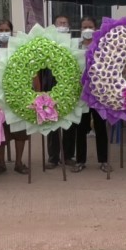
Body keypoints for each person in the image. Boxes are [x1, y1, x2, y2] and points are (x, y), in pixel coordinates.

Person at [0, 20, 30, 176]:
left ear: (11, 31)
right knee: (0, 131)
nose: (4, 32)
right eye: (1, 30)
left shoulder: (20, 49)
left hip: (18, 97)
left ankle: (18, 163)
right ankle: (1, 163)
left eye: (7, 29)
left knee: (20, 131)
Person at [71, 16, 111, 173]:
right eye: (84, 27)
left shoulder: (102, 47)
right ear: (80, 30)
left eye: (90, 27)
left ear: (96, 30)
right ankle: (80, 160)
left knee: (101, 127)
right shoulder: (75, 48)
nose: (87, 30)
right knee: (80, 128)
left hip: (99, 94)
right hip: (80, 94)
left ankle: (104, 160)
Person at [44, 15, 77, 169]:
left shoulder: (73, 44)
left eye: (65, 23)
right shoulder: (48, 44)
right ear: (54, 26)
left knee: (69, 124)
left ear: (69, 26)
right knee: (52, 124)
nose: (63, 25)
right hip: (51, 88)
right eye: (60, 23)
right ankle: (53, 157)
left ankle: (68, 155)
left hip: (69, 90)